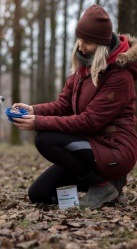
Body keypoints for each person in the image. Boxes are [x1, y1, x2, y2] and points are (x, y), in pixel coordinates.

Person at [11, 4, 137, 209]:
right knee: (39, 194)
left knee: (45, 138)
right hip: (90, 147)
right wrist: (34, 110)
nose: (80, 46)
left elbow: (89, 122)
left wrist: (38, 122)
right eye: (79, 39)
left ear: (102, 44)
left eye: (87, 42)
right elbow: (63, 104)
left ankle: (102, 185)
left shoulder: (120, 76)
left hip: (115, 150)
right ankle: (108, 185)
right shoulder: (83, 66)